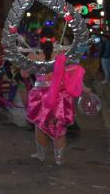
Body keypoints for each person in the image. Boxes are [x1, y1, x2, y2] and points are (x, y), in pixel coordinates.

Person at [26, 28, 85, 165]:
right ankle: (59, 158)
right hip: (59, 95)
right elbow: (72, 72)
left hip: (40, 96)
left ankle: (41, 155)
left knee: (40, 125)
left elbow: (24, 74)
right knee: (59, 125)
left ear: (39, 38)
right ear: (55, 38)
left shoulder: (34, 54)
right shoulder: (61, 54)